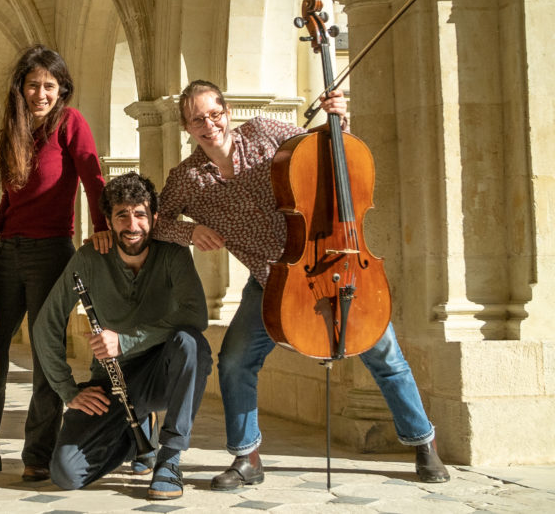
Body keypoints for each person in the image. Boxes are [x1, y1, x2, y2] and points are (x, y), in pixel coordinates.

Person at [153, 79, 451, 490]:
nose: (210, 124)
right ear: (186, 127)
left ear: (228, 111)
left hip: (327, 259)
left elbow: (327, 153)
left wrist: (338, 120)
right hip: (270, 281)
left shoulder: (262, 132)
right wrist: (191, 233)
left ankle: (424, 443)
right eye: (198, 119)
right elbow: (153, 223)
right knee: (237, 361)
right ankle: (247, 457)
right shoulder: (186, 180)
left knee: (384, 352)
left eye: (215, 113)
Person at [0, 45, 110, 482]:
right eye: (33, 84)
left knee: (46, 354)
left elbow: (93, 176)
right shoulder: (11, 133)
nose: (41, 93)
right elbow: (10, 202)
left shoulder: (71, 124)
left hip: (52, 252)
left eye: (49, 86)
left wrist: (103, 225)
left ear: (61, 89)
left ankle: (37, 455)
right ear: (21, 88)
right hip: (9, 253)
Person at [33, 172, 212, 500]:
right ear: (109, 221)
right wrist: (67, 390)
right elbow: (46, 324)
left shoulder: (173, 254)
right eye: (122, 215)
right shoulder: (89, 257)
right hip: (112, 381)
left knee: (192, 344)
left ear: (154, 218)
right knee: (66, 473)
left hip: (161, 371)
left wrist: (126, 340)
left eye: (141, 214)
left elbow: (195, 315)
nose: (133, 225)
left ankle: (169, 458)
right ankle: (136, 437)